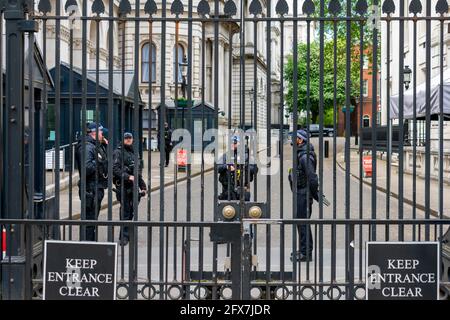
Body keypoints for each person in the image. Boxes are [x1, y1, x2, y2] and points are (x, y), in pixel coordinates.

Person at [289, 129, 319, 262]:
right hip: (300, 192)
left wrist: (315, 194)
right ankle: (303, 250)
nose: (292, 140)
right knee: (300, 222)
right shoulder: (300, 153)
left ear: (300, 140)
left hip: (304, 193)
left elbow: (312, 177)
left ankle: (306, 253)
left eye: (294, 138)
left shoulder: (305, 156)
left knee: (303, 222)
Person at [75, 122, 108, 241]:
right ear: (94, 132)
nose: (102, 134)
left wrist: (104, 146)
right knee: (89, 221)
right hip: (90, 189)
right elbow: (86, 167)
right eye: (101, 131)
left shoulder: (95, 145)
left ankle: (91, 244)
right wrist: (100, 161)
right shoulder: (87, 146)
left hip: (96, 187)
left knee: (92, 220)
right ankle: (87, 246)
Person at [113, 132, 147, 246]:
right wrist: (128, 177)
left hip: (134, 188)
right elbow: (115, 169)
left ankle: (128, 234)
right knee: (125, 212)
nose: (128, 140)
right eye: (126, 138)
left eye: (130, 138)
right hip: (123, 186)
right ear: (122, 139)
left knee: (132, 212)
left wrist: (143, 186)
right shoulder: (118, 152)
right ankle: (123, 237)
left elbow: (137, 173)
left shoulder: (134, 152)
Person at [218, 135, 257, 201]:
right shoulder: (226, 155)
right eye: (231, 142)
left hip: (243, 188)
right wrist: (227, 167)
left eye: (235, 142)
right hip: (228, 189)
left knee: (244, 209)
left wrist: (244, 167)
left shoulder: (246, 156)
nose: (232, 144)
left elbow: (255, 169)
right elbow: (217, 167)